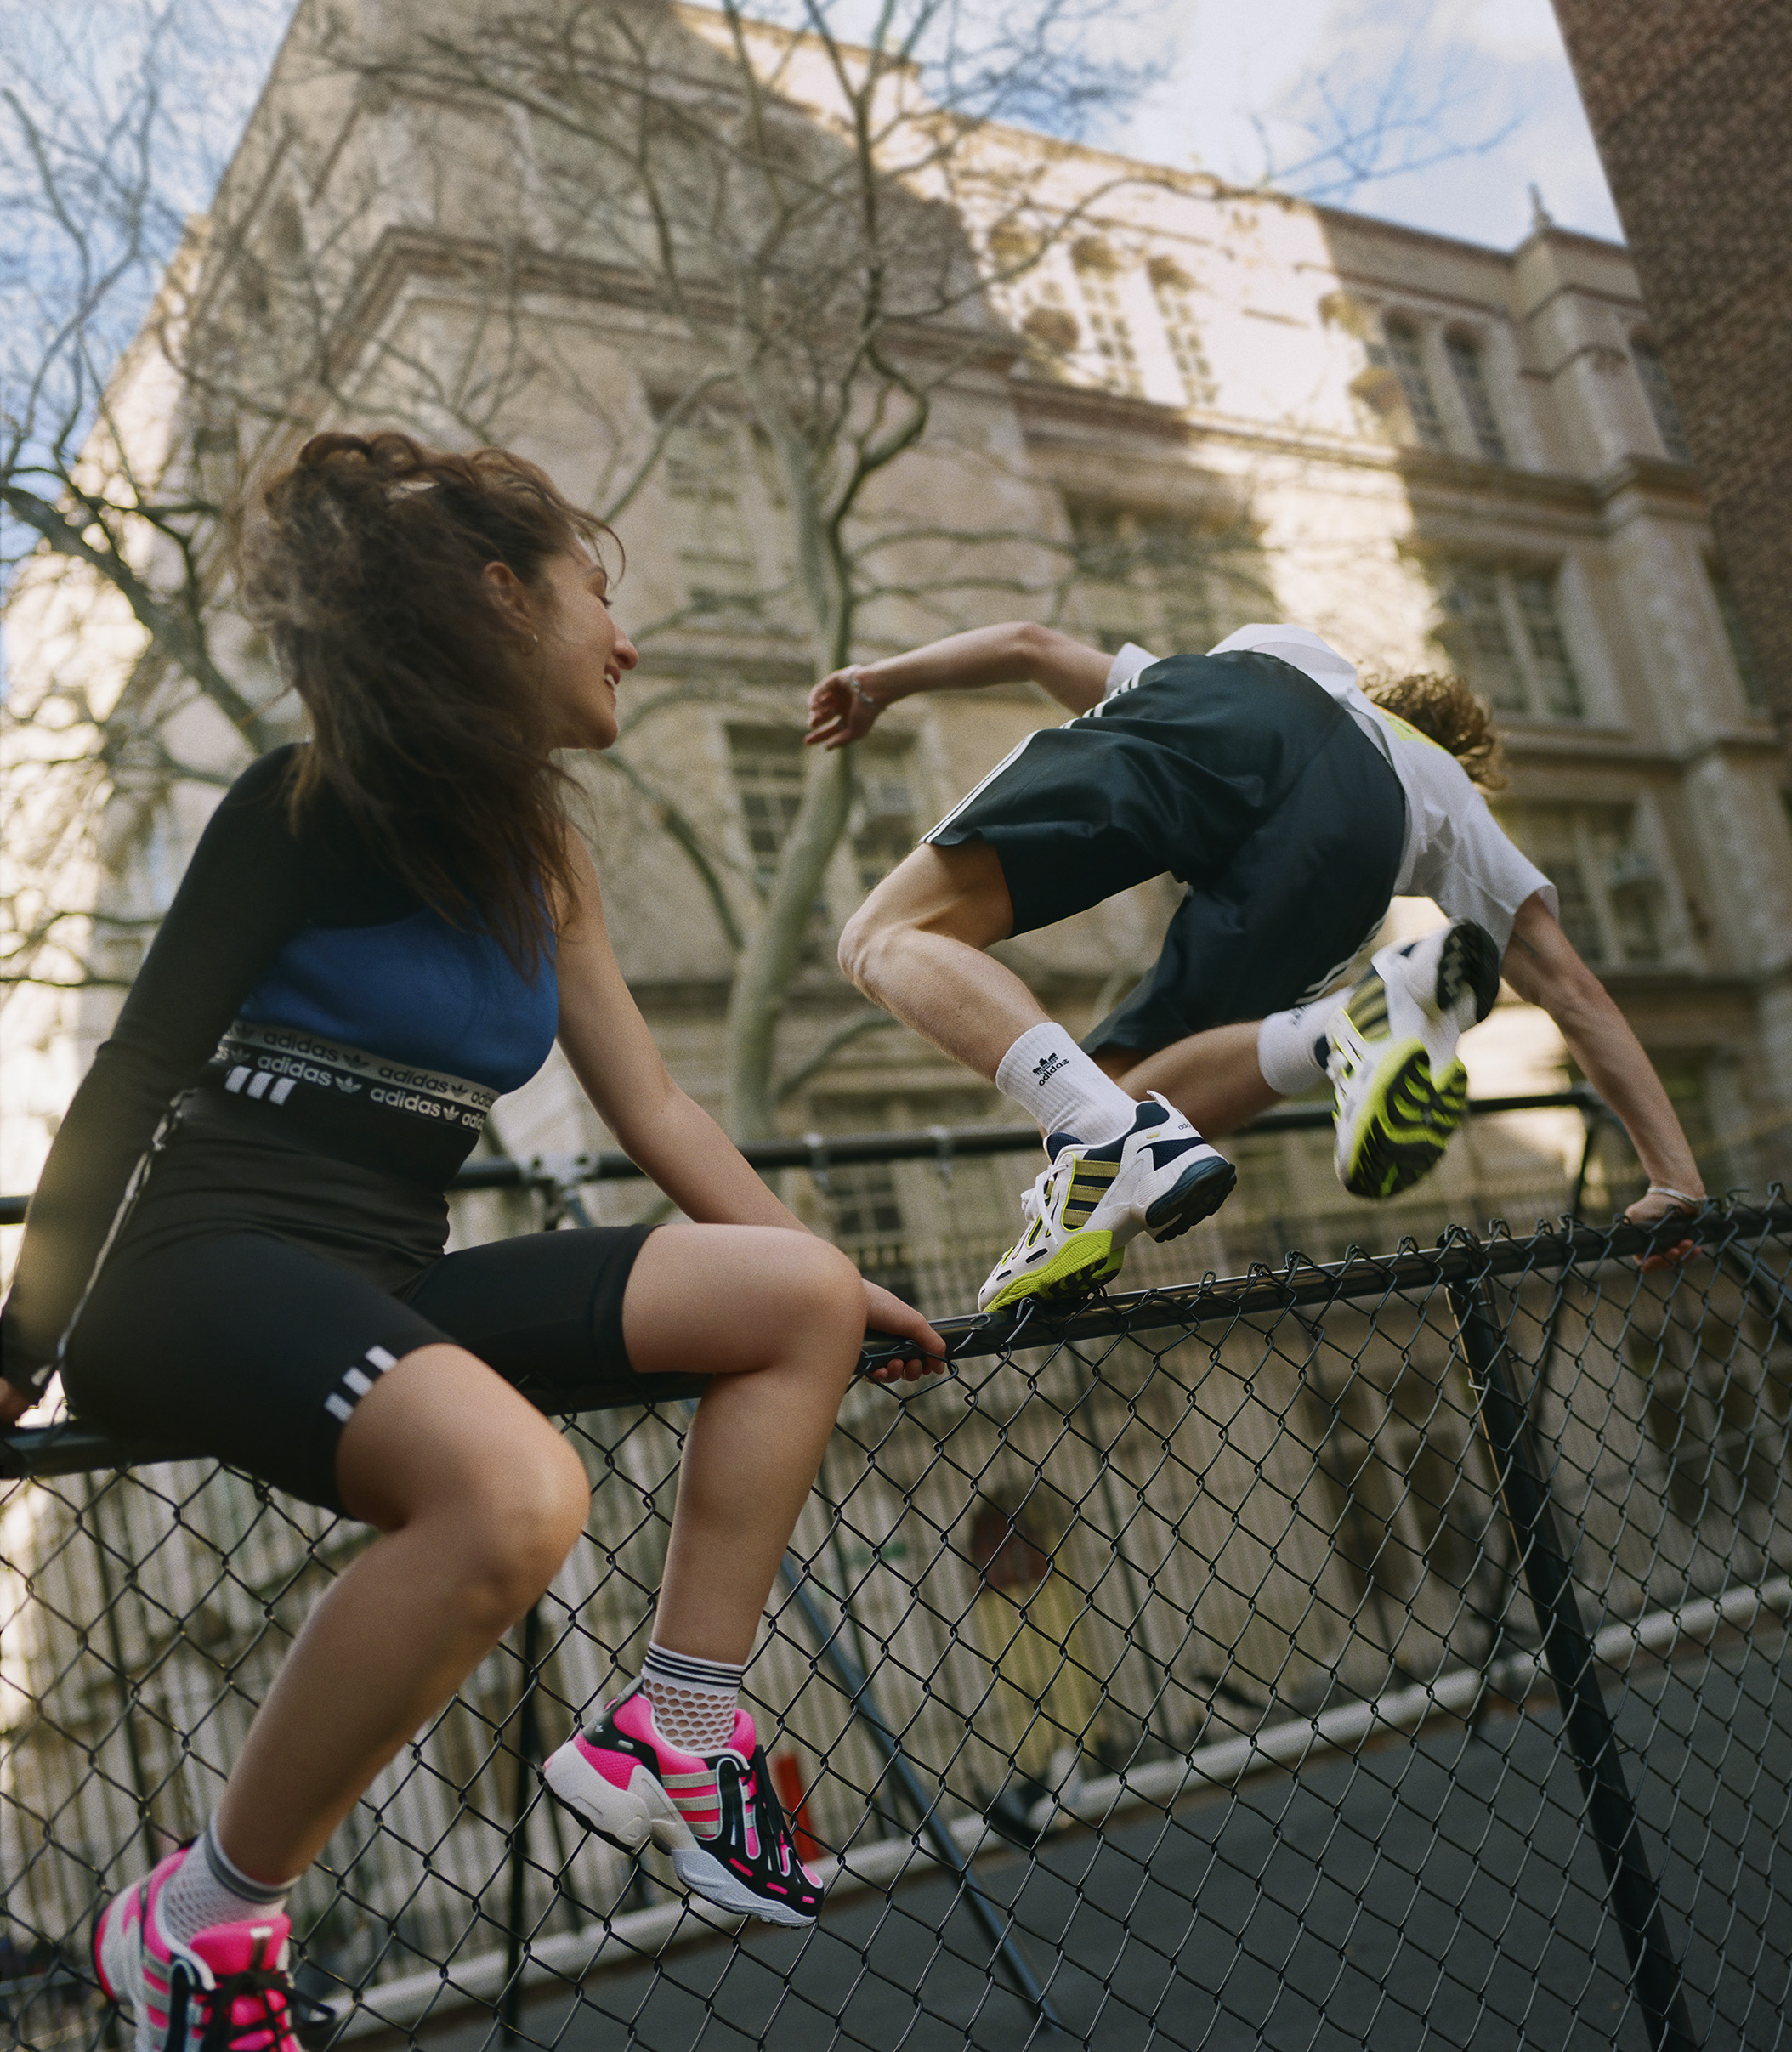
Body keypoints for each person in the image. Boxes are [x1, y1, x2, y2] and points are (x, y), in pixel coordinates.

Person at [0, 434, 942, 2052]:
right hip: (200, 1261)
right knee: (516, 1490)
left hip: (388, 1274)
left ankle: (679, 1727)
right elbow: (137, 1066)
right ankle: (200, 1914)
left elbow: (651, 1102)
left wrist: (835, 1280)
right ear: (502, 600)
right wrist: (24, 1331)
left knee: (792, 1288)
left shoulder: (541, 847)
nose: (624, 633)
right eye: (598, 592)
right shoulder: (298, 808)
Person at [810, 621, 1705, 1309]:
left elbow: (1028, 645)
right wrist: (1675, 1177)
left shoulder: (1285, 651)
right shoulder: (1445, 788)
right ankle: (1331, 1032)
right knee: (1111, 1098)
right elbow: (1567, 985)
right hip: (1359, 834)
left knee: (884, 936)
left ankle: (1155, 1132)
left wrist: (877, 680)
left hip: (1229, 709)